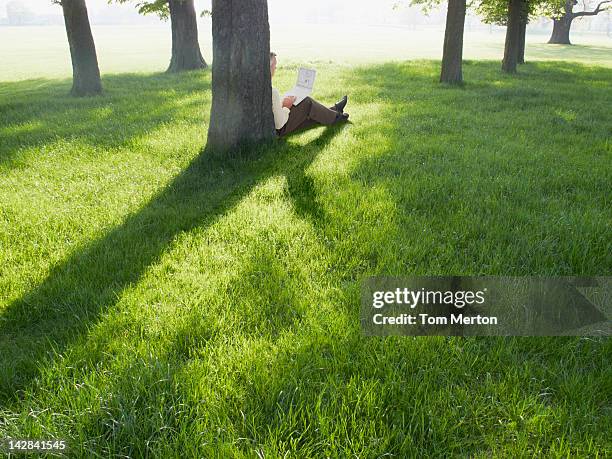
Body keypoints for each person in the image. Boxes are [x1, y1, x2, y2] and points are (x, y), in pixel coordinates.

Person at [270, 52, 349, 137]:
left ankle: (333, 110)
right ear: (269, 67)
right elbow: (279, 124)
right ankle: (336, 117)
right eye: (274, 65)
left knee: (308, 112)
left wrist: (283, 104)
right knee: (307, 103)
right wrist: (285, 107)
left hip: (276, 123)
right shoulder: (273, 92)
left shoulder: (263, 87)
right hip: (279, 130)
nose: (276, 68)